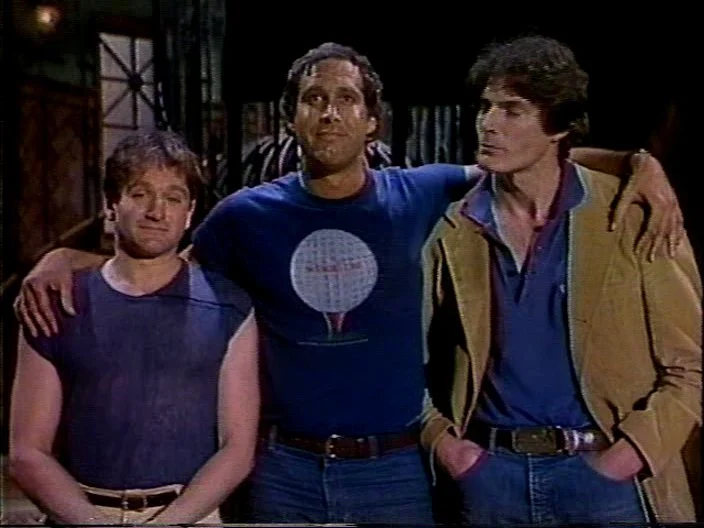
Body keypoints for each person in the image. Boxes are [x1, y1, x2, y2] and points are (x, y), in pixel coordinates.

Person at [14, 42, 686, 524]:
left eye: (345, 99)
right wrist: (64, 259)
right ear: (291, 117)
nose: (329, 113)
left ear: (372, 120)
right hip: (284, 469)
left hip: (397, 470)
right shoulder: (245, 216)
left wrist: (638, 164)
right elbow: (160, 260)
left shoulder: (425, 192)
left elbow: (533, 161)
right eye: (313, 99)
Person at [421, 35, 702, 526]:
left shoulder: (630, 215)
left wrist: (629, 455)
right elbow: (400, 359)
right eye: (485, 107)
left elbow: (690, 365)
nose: (488, 123)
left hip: (606, 479)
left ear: (559, 126)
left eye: (513, 110)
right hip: (491, 480)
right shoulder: (454, 229)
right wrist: (449, 449)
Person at [8, 131, 259, 526]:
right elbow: (27, 452)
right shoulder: (55, 303)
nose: (157, 211)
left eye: (173, 198)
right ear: (111, 206)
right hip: (79, 515)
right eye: (141, 194)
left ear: (189, 213)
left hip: (188, 516)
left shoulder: (230, 308)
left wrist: (168, 524)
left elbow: (237, 448)